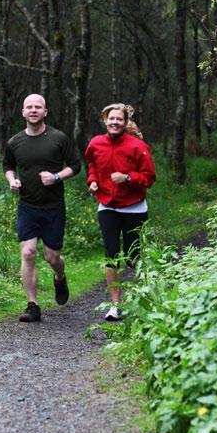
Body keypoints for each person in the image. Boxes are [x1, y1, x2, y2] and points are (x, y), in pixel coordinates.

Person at [3, 93, 81, 322]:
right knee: (28, 253)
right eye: (29, 107)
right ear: (23, 112)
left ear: (45, 112)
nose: (34, 110)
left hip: (53, 207)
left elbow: (76, 166)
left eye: (38, 107)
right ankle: (32, 305)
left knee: (52, 256)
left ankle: (60, 277)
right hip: (27, 206)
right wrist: (12, 180)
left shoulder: (58, 138)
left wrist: (56, 176)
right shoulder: (15, 142)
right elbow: (8, 165)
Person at [84, 103, 156, 321]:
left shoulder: (137, 146)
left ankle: (142, 300)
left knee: (135, 258)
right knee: (112, 255)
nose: (114, 122)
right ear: (105, 120)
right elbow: (92, 165)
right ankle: (116, 306)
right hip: (107, 206)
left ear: (125, 123)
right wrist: (93, 181)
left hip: (134, 207)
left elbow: (149, 177)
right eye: (111, 119)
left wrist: (127, 177)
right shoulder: (96, 143)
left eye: (119, 119)